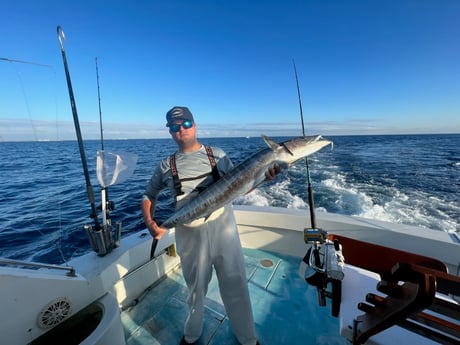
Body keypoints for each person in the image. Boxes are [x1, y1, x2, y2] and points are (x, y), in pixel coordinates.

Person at [141, 106, 280, 345]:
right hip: (189, 234)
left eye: (184, 124)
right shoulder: (166, 165)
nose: (180, 130)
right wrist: (151, 222)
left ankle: (248, 339)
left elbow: (242, 184)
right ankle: (192, 335)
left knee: (235, 283)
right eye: (174, 127)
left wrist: (264, 176)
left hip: (223, 227)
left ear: (194, 125)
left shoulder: (218, 155)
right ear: (170, 132)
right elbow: (148, 195)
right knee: (195, 290)